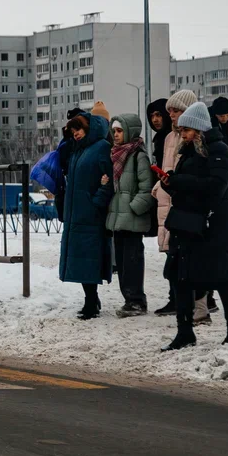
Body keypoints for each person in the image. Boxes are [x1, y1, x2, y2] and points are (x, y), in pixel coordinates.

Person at [158, 101, 228, 350]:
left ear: (198, 129)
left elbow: (216, 185)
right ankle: (185, 332)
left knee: (223, 277)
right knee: (182, 278)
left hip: (213, 224)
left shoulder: (218, 149)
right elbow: (188, 185)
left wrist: (180, 181)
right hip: (187, 223)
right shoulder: (189, 151)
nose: (183, 135)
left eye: (186, 130)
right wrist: (169, 183)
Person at [57, 113, 114, 320]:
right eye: (73, 131)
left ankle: (91, 302)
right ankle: (91, 299)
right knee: (81, 259)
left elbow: (109, 180)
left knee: (89, 259)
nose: (76, 134)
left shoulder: (101, 147)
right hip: (77, 214)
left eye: (78, 129)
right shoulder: (78, 150)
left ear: (88, 128)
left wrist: (96, 201)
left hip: (91, 214)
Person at [153, 89, 203, 319]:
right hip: (167, 197)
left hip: (182, 198)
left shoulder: (193, 139)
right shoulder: (168, 137)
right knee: (171, 253)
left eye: (175, 110)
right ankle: (176, 299)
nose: (171, 114)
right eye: (170, 111)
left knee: (187, 254)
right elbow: (167, 166)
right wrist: (161, 183)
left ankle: (200, 300)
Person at [105, 114, 156, 316]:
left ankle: (136, 301)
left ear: (130, 132)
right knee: (122, 262)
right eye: (114, 131)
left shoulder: (138, 156)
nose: (116, 135)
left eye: (120, 131)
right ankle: (128, 300)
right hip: (119, 219)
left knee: (132, 261)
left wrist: (134, 208)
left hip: (132, 219)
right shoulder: (115, 154)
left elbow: (147, 188)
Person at [147, 98, 171, 164]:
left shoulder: (176, 136)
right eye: (152, 116)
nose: (154, 120)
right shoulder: (158, 138)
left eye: (158, 115)